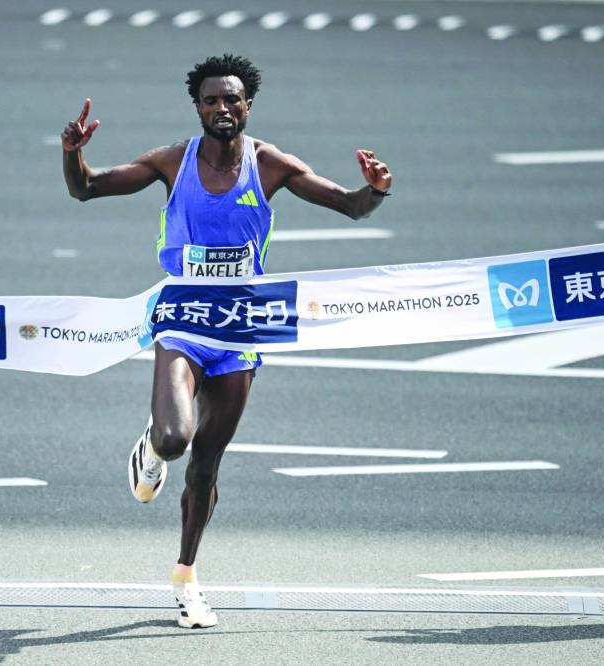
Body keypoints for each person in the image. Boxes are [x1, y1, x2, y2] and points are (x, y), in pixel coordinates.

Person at [61, 54, 392, 628]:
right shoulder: (172, 162)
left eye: (232, 99)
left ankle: (186, 576)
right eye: (211, 100)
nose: (222, 108)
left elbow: (348, 205)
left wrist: (375, 190)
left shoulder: (270, 166)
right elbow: (86, 190)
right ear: (197, 107)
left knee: (205, 467)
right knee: (173, 440)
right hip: (183, 321)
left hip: (240, 331)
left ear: (247, 106)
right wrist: (73, 154)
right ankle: (152, 443)